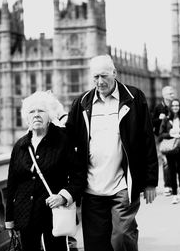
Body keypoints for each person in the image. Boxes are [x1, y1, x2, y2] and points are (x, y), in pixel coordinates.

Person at [66, 54, 158, 251]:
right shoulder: (81, 103)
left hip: (123, 184)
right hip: (92, 187)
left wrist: (150, 182)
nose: (100, 82)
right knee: (96, 243)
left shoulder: (134, 98)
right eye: (95, 77)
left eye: (104, 76)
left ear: (114, 73)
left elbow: (147, 141)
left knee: (122, 237)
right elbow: (67, 140)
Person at [5, 91, 85, 251]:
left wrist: (64, 196)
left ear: (50, 115)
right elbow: (12, 184)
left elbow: (79, 177)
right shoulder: (20, 146)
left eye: (41, 111)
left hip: (54, 214)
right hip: (24, 215)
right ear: (26, 117)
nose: (36, 115)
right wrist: (9, 219)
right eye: (31, 112)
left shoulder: (63, 141)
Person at [158, 99, 180, 204]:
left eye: (177, 105)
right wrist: (170, 134)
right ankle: (175, 195)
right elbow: (161, 134)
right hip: (170, 148)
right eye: (173, 106)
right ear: (171, 108)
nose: (175, 107)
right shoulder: (167, 119)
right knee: (172, 171)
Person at [152, 86, 175, 196]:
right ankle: (167, 185)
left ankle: (173, 183)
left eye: (173, 93)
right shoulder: (158, 107)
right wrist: (159, 119)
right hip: (161, 138)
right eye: (170, 93)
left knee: (173, 162)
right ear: (164, 95)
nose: (172, 95)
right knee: (165, 161)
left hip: (173, 137)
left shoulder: (175, 106)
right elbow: (151, 122)